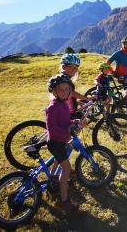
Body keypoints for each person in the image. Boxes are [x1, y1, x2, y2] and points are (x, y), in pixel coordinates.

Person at [46, 74, 79, 214]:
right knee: (66, 169)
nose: (65, 91)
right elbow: (52, 131)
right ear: (54, 91)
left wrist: (73, 123)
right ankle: (63, 201)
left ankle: (51, 183)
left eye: (67, 89)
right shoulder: (53, 108)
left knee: (57, 161)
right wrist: (67, 131)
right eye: (61, 89)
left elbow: (66, 122)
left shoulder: (64, 104)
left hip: (60, 141)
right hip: (55, 142)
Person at [107, 36, 127, 103]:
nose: (125, 45)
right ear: (122, 44)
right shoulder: (118, 53)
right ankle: (126, 95)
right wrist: (112, 71)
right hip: (120, 76)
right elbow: (108, 62)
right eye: (124, 44)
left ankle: (126, 110)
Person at [60, 53, 89, 119]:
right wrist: (86, 98)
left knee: (83, 120)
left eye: (76, 67)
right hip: (65, 113)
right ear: (63, 67)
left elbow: (67, 97)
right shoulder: (62, 79)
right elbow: (71, 93)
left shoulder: (67, 78)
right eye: (70, 66)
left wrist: (77, 102)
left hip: (69, 110)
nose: (74, 70)